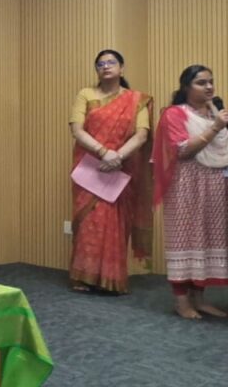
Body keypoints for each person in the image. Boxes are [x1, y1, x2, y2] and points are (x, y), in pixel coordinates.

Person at [67, 49, 152, 294]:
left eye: (111, 62)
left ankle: (111, 279)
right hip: (90, 168)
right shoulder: (86, 94)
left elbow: (142, 134)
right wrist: (104, 152)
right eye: (100, 64)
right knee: (89, 222)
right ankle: (83, 277)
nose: (106, 66)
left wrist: (117, 157)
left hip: (121, 170)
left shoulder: (137, 100)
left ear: (121, 68)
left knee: (115, 221)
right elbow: (77, 129)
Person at [152, 64, 228, 319]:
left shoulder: (215, 112)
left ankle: (200, 299)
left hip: (216, 184)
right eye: (201, 82)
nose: (208, 87)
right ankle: (181, 302)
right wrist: (216, 127)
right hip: (185, 183)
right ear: (186, 87)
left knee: (206, 239)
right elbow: (183, 150)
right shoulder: (175, 114)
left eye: (211, 81)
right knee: (184, 239)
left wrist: (217, 123)